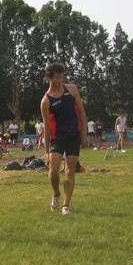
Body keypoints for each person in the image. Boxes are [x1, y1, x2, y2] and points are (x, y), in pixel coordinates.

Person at [41, 62, 88, 215]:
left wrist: (84, 134)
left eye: (61, 77)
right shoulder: (46, 101)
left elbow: (81, 112)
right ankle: (56, 193)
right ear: (49, 78)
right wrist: (46, 151)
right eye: (56, 77)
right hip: (57, 138)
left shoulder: (72, 89)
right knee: (53, 171)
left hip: (73, 136)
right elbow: (46, 127)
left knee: (70, 171)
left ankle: (66, 205)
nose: (60, 80)